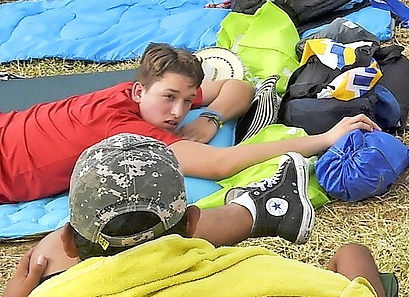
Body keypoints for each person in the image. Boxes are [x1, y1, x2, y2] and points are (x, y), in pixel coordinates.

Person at [0, 134, 390, 297]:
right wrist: (356, 255)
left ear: (69, 241)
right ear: (191, 223)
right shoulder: (272, 285)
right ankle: (263, 208)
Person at [0, 43, 375, 206]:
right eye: (169, 98)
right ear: (138, 90)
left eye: (187, 99)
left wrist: (211, 118)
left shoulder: (139, 96)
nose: (178, 112)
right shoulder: (127, 129)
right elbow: (220, 164)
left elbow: (237, 87)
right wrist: (325, 138)